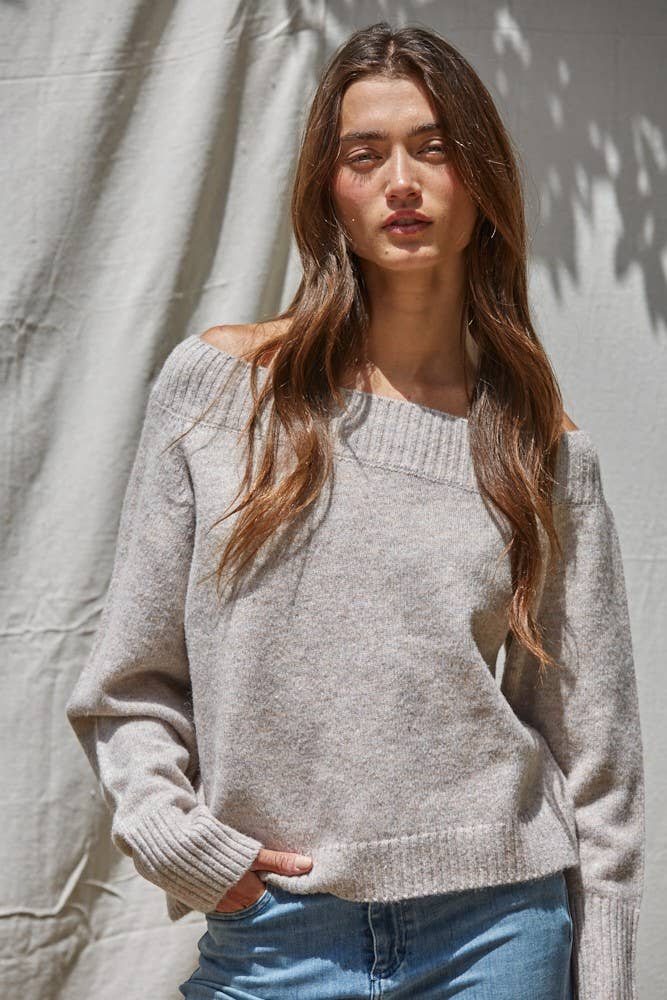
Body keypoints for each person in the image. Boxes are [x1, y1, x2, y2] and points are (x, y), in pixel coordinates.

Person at [65, 21, 645, 1000]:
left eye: (433, 147)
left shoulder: (541, 453)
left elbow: (599, 765)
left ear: (482, 184)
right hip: (276, 938)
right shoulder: (218, 395)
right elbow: (130, 685)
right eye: (364, 154)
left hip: (497, 934)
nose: (401, 181)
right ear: (324, 188)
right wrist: (183, 841)